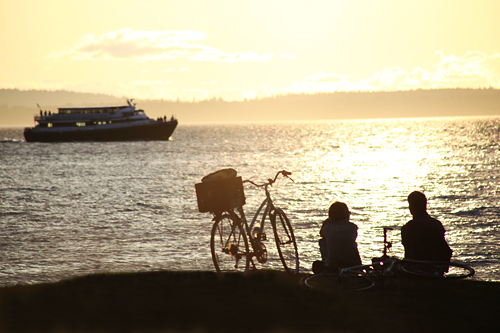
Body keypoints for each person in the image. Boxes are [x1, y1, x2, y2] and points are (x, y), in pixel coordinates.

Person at [401, 191, 452, 262]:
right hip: (435, 268)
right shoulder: (436, 224)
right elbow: (445, 251)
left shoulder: (408, 228)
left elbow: (409, 255)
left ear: (411, 207)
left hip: (416, 268)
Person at [313, 201, 362, 273]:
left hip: (334, 265)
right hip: (355, 265)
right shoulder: (352, 227)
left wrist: (326, 223)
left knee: (323, 241)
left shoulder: (327, 228)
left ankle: (326, 267)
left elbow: (322, 234)